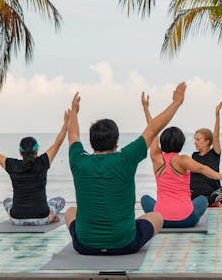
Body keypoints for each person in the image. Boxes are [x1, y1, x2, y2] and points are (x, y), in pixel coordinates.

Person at [64, 84, 185, 256]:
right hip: (124, 244)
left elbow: (73, 136)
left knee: (70, 211)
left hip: (85, 245)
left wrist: (74, 112)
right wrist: (176, 103)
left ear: (91, 143)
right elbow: (152, 130)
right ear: (116, 142)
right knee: (157, 217)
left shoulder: (78, 160)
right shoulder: (125, 159)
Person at [139, 94, 222, 228]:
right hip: (187, 220)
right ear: (181, 143)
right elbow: (202, 169)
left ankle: (164, 214)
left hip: (160, 220)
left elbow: (152, 130)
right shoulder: (184, 160)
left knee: (144, 199)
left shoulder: (155, 157)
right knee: (201, 200)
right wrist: (220, 175)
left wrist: (146, 109)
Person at [0, 112, 69, 225]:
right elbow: (58, 143)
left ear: (20, 152)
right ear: (36, 151)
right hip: (42, 218)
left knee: (7, 201)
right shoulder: (43, 162)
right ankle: (51, 217)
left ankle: (25, 215)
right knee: (60, 201)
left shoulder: (12, 165)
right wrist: (66, 124)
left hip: (17, 219)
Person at [189, 102, 222, 206]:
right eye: (195, 139)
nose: (195, 142)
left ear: (207, 141)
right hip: (194, 194)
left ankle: (210, 201)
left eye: (198, 139)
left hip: (211, 193)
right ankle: (209, 202)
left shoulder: (215, 153)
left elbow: (216, 136)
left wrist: (217, 115)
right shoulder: (194, 156)